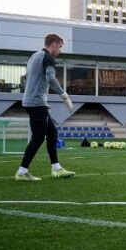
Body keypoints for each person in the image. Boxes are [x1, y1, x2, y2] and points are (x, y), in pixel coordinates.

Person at [15, 34, 75, 181]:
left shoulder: (34, 56)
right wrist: (64, 96)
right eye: (60, 47)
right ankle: (22, 172)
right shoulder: (48, 58)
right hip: (37, 103)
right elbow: (50, 78)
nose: (60, 50)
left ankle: (56, 168)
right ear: (53, 44)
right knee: (38, 137)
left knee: (52, 133)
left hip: (31, 101)